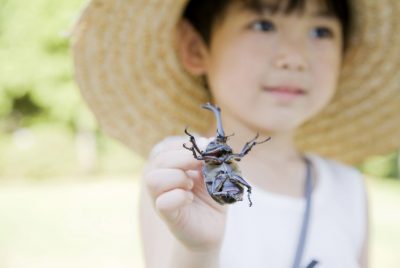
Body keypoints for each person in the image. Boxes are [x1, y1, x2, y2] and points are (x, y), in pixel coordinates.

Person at [71, 0, 400, 267]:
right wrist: (198, 249)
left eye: (321, 31)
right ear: (195, 48)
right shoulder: (179, 167)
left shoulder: (349, 187)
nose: (295, 58)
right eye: (263, 25)